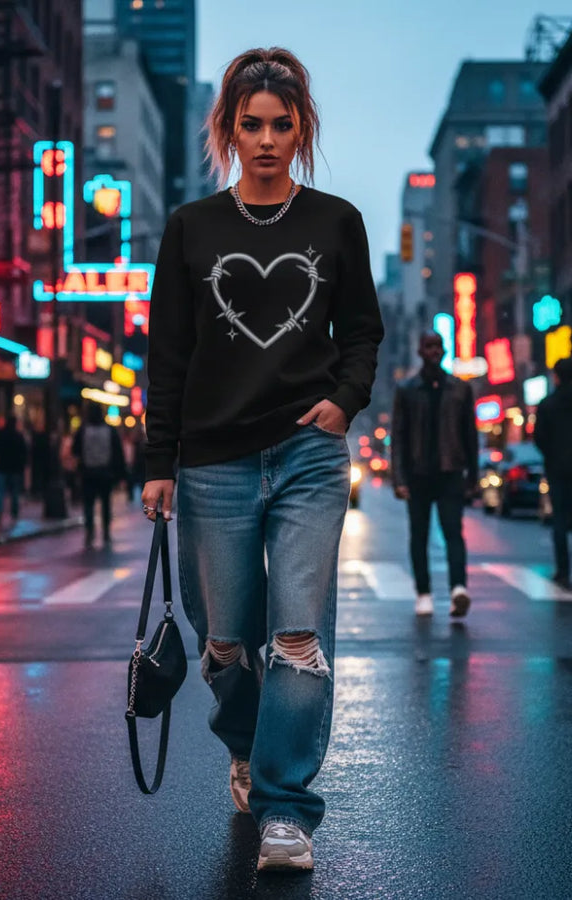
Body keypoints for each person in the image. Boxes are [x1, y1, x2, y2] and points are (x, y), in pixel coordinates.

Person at [141, 47, 383, 872]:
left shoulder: (336, 221)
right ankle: (244, 747)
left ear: (302, 130)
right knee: (224, 641)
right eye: (253, 125)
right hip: (212, 461)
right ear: (230, 131)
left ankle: (287, 809)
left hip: (310, 455)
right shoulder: (192, 228)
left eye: (284, 125)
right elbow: (166, 352)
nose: (269, 139)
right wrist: (158, 459)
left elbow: (362, 332)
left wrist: (344, 402)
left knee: (298, 636)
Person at [391, 330, 478, 618]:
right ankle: (424, 593)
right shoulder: (406, 389)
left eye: (438, 346)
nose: (434, 351)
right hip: (418, 474)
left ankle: (458, 590)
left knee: (454, 532)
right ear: (420, 351)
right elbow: (399, 437)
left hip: (450, 471)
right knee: (419, 535)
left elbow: (470, 436)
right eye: (429, 346)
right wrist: (399, 479)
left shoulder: (460, 388)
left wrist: (472, 478)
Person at [534, 357, 572, 591]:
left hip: (557, 469)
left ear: (556, 376)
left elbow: (540, 438)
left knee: (559, 520)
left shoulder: (548, 404)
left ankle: (563, 570)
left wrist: (552, 454)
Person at [72, 403, 125, 548]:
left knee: (88, 504)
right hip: (105, 472)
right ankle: (106, 531)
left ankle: (90, 531)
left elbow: (75, 450)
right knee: (106, 503)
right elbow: (118, 453)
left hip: (88, 472)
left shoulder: (83, 430)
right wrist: (121, 474)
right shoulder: (110, 430)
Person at [0, 414, 27, 525]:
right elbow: (23, 452)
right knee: (14, 492)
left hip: (2, 467)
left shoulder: (0, 434)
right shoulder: (18, 436)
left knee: (0, 491)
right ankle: (14, 512)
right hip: (15, 468)